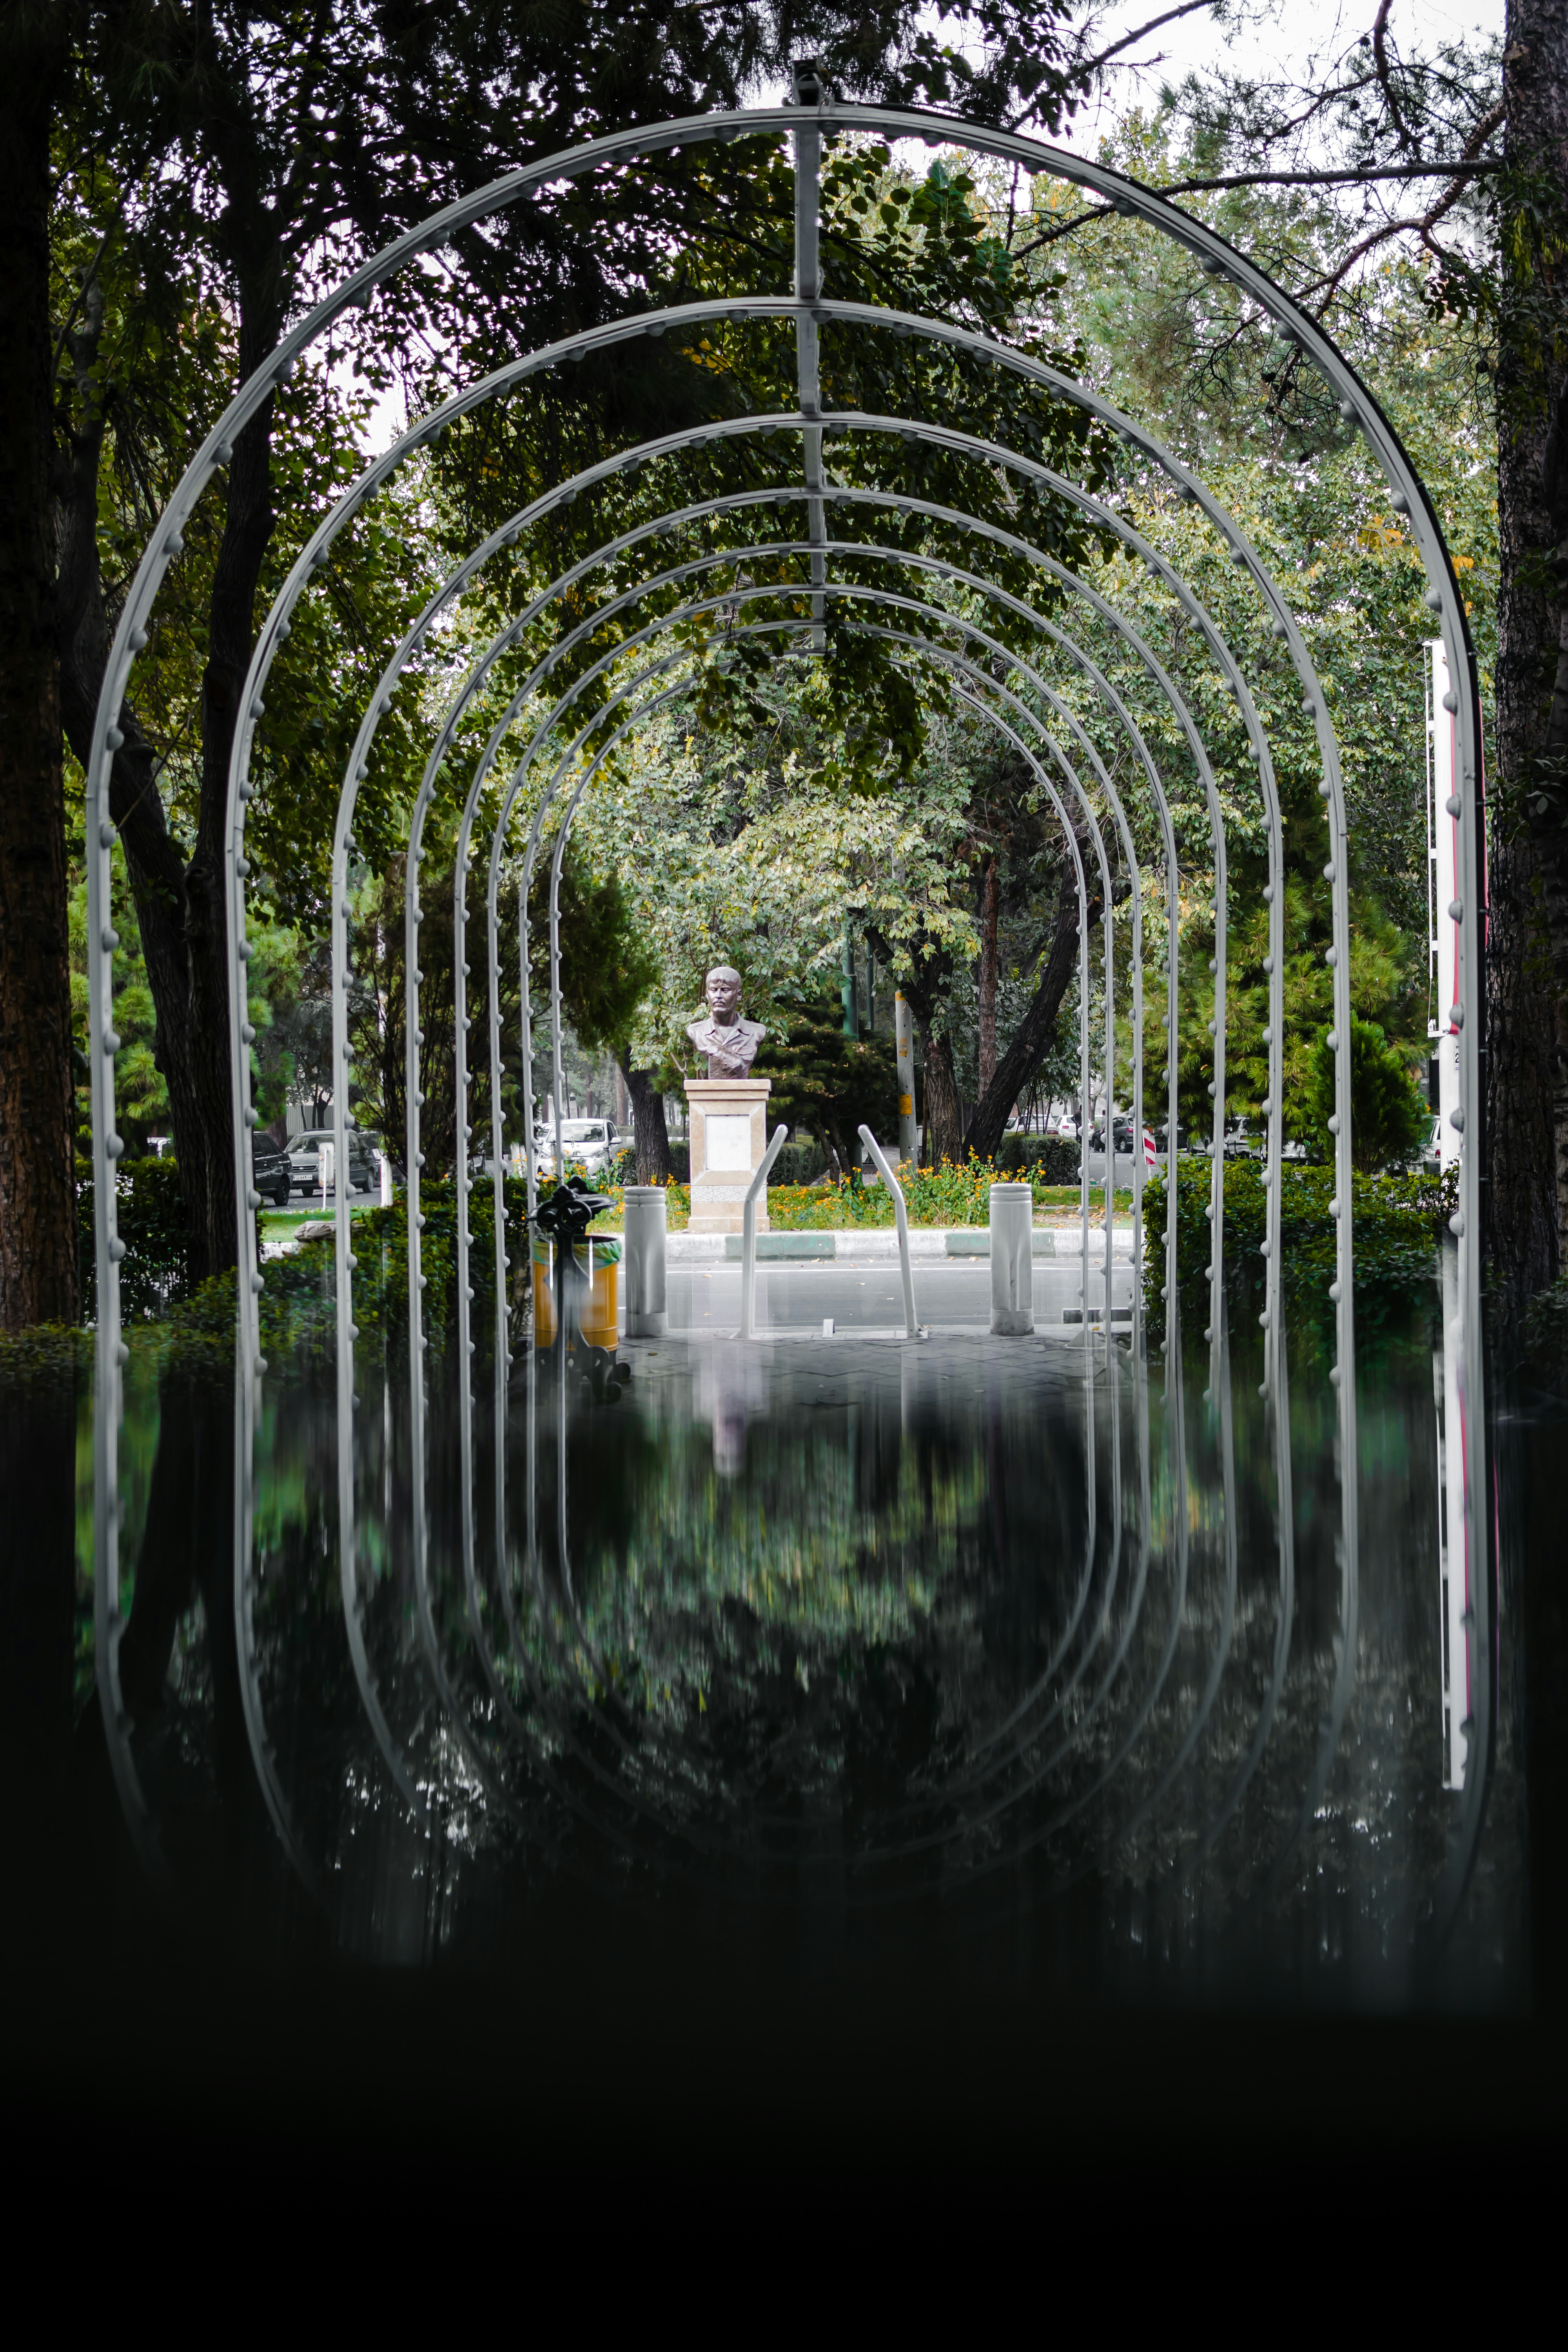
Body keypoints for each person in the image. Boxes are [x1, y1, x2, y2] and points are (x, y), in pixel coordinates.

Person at [686, 964, 766, 1078]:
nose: (718, 996)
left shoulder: (757, 1032)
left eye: (725, 990)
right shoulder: (696, 1031)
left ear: (738, 995)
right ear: (707, 994)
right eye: (714, 990)